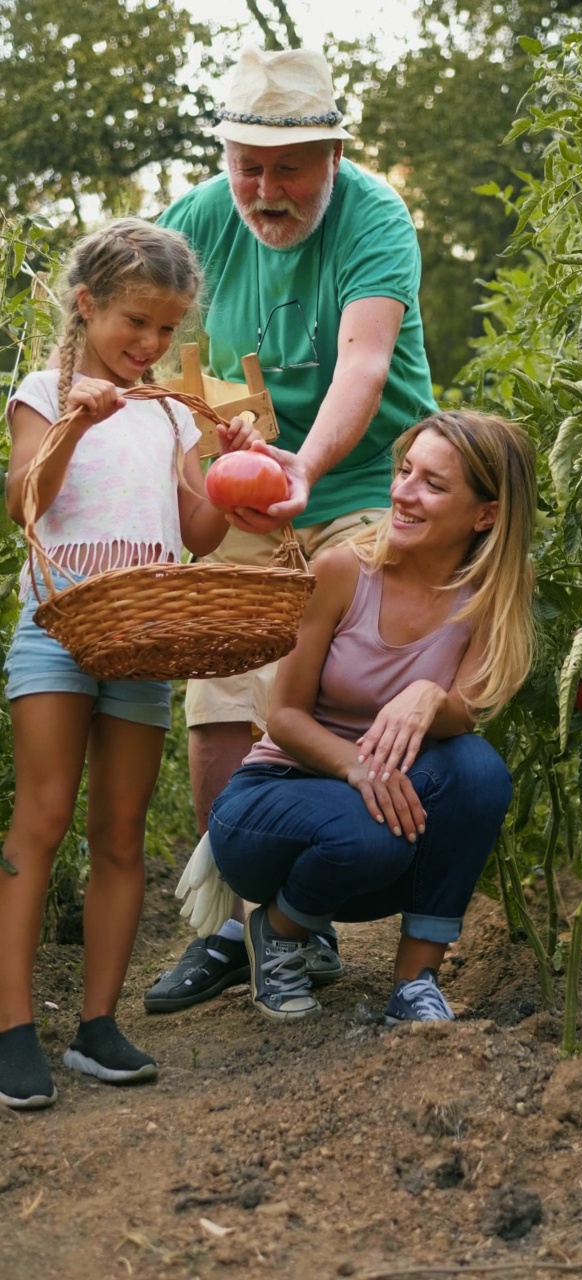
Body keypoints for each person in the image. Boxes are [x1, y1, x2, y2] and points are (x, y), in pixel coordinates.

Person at [143, 43, 437, 1013]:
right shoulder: (188, 224)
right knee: (222, 679)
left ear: (333, 155)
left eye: (290, 167)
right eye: (249, 166)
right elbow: (143, 356)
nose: (266, 189)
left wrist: (306, 467)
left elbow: (363, 359)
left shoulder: (375, 213)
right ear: (226, 156)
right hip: (242, 483)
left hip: (361, 479)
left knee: (340, 671)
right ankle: (234, 923)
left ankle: (297, 919)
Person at [0, 217, 258, 1110]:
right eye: (135, 325)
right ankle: (13, 1029)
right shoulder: (43, 388)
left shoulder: (165, 414)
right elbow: (25, 498)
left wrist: (225, 472)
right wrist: (76, 419)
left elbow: (196, 532)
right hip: (61, 625)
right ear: (87, 304)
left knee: (120, 832)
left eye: (165, 330)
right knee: (38, 820)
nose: (149, 346)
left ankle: (98, 1027)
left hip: (144, 635)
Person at [199, 409, 536, 1023]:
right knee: (369, 829)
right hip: (272, 803)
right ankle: (277, 931)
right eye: (405, 471)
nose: (404, 494)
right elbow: (286, 719)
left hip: (374, 820)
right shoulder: (344, 569)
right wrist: (359, 767)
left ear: (485, 514)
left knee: (480, 772)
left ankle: (414, 983)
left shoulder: (491, 591)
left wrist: (431, 696)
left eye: (433, 485)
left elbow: (468, 711)